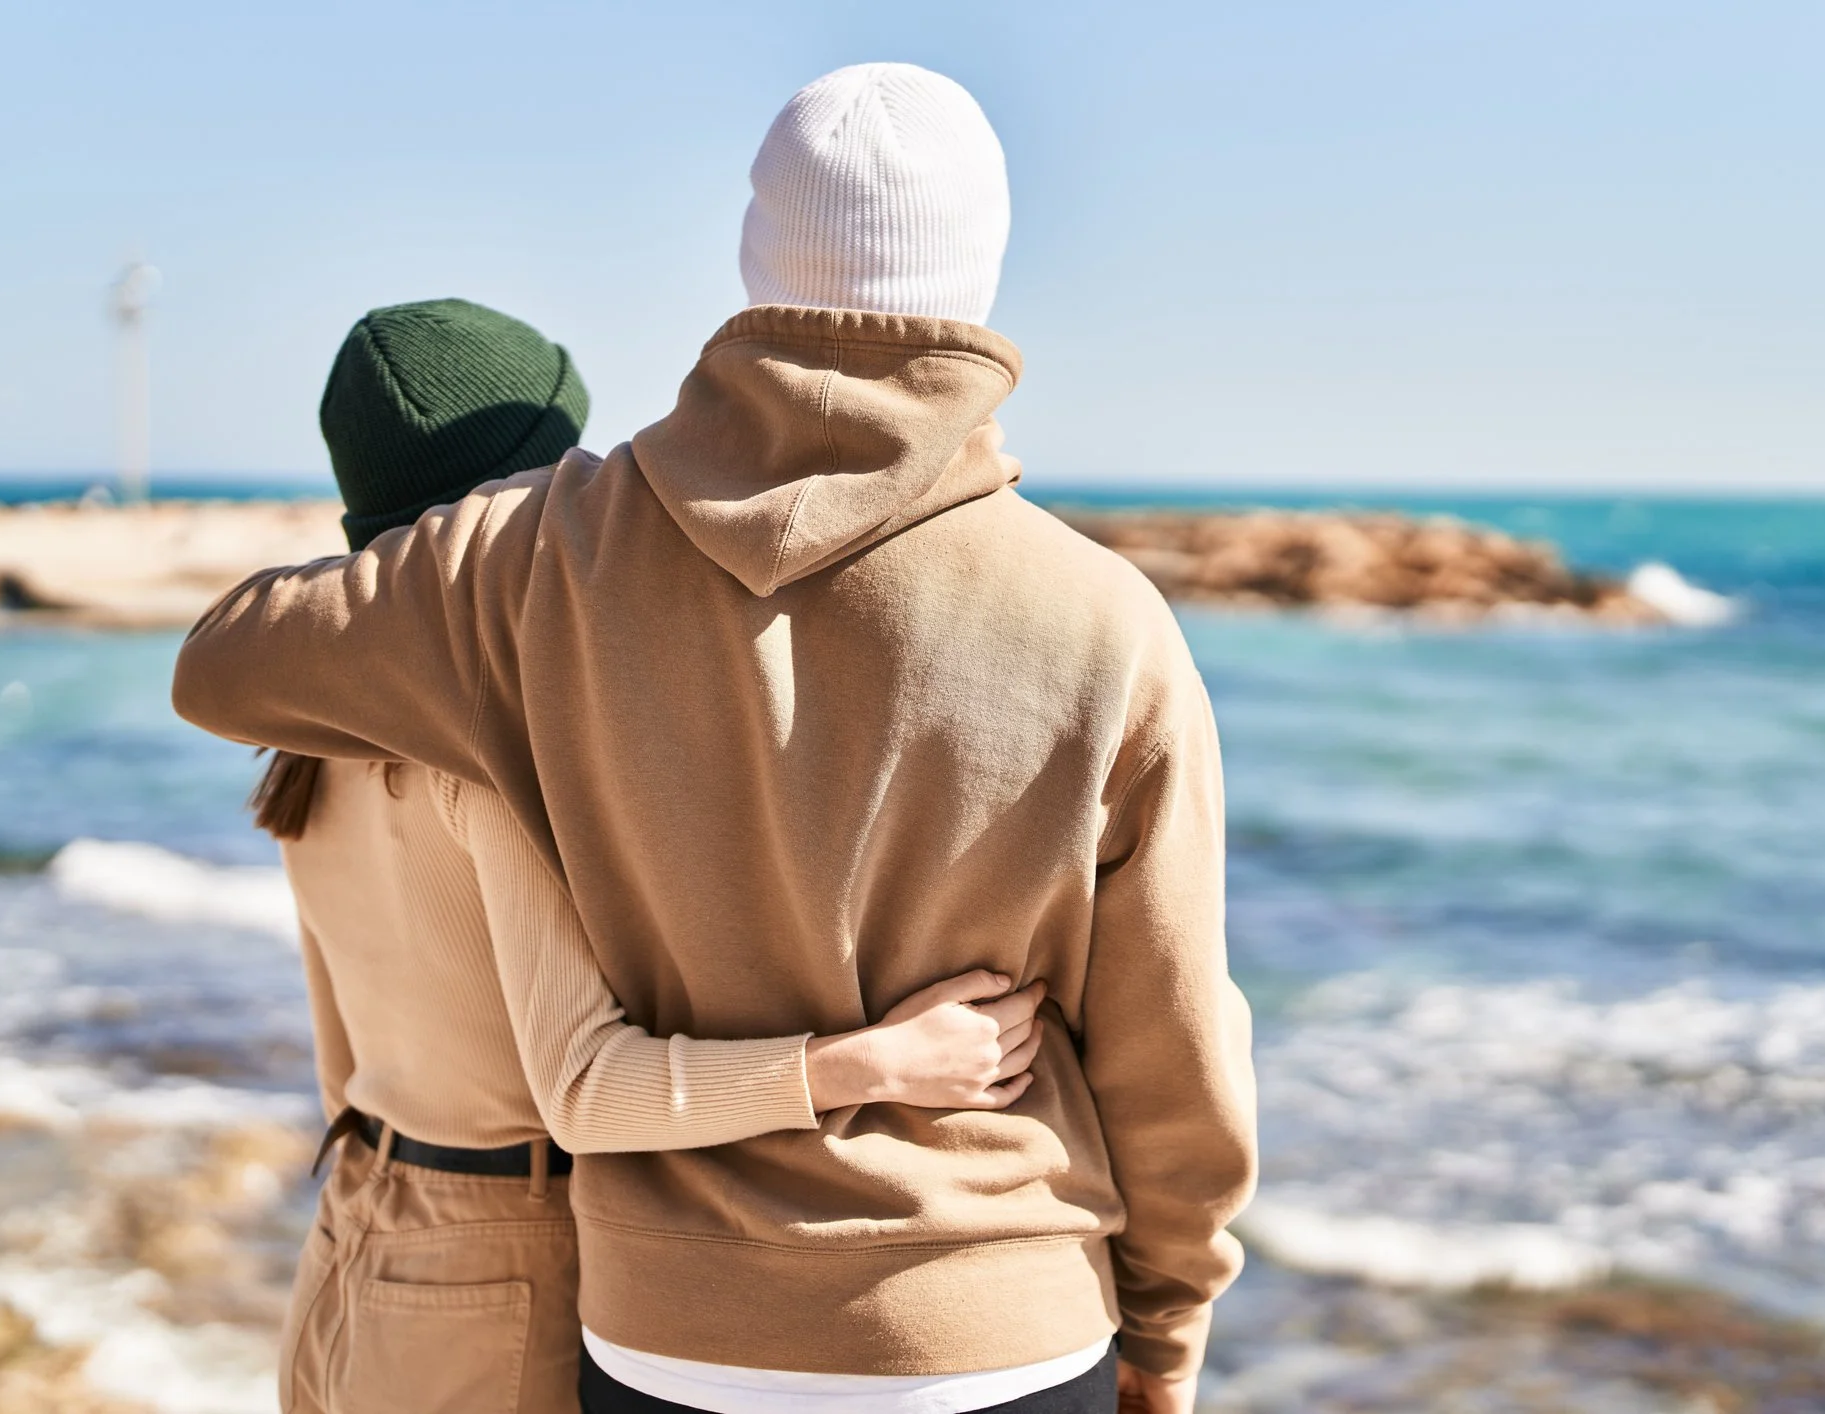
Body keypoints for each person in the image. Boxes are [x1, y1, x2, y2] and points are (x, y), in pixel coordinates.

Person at [175, 62, 1257, 1414]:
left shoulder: (535, 559)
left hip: (663, 1325)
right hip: (996, 1319)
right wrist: (1166, 1327)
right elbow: (1176, 1044)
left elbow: (221, 666)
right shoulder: (1106, 618)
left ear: (755, 262)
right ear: (979, 276)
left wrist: (466, 546)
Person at [262, 297, 1048, 1414]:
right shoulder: (479, 751)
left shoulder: (311, 727)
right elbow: (582, 1088)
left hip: (352, 1246)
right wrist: (874, 1063)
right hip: (503, 1279)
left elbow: (342, 1067)